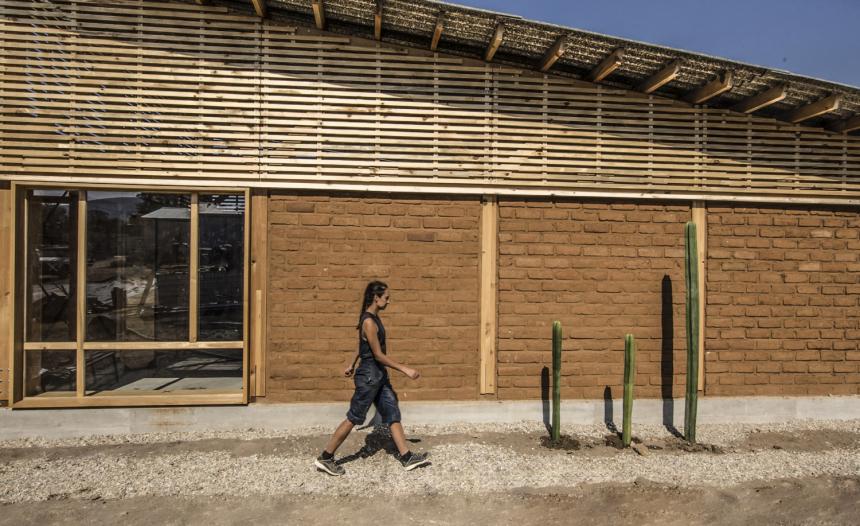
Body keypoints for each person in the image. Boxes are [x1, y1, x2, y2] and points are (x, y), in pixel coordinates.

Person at [314, 281, 430, 475]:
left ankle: (407, 456)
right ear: (376, 298)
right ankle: (326, 457)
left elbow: (361, 346)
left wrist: (351, 362)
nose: (389, 301)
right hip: (369, 376)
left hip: (378, 375)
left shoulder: (372, 318)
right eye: (386, 297)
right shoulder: (369, 321)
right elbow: (377, 355)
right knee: (354, 417)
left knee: (392, 412)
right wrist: (405, 369)